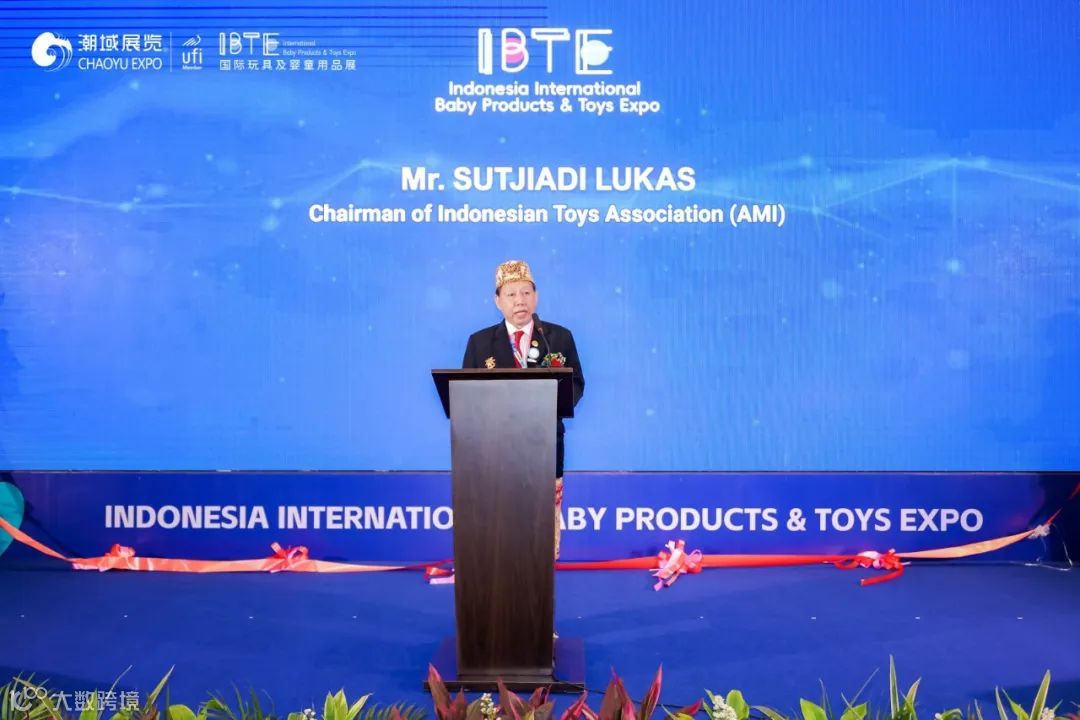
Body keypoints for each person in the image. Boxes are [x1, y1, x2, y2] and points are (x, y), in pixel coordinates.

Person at [462, 260, 584, 559]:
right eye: (512, 294)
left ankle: (541, 567)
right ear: (497, 301)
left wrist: (547, 408)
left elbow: (576, 384)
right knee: (501, 522)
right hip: (496, 447)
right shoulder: (480, 343)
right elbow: (465, 394)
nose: (520, 301)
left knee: (541, 525)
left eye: (526, 293)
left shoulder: (558, 337)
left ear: (536, 296)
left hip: (545, 442)